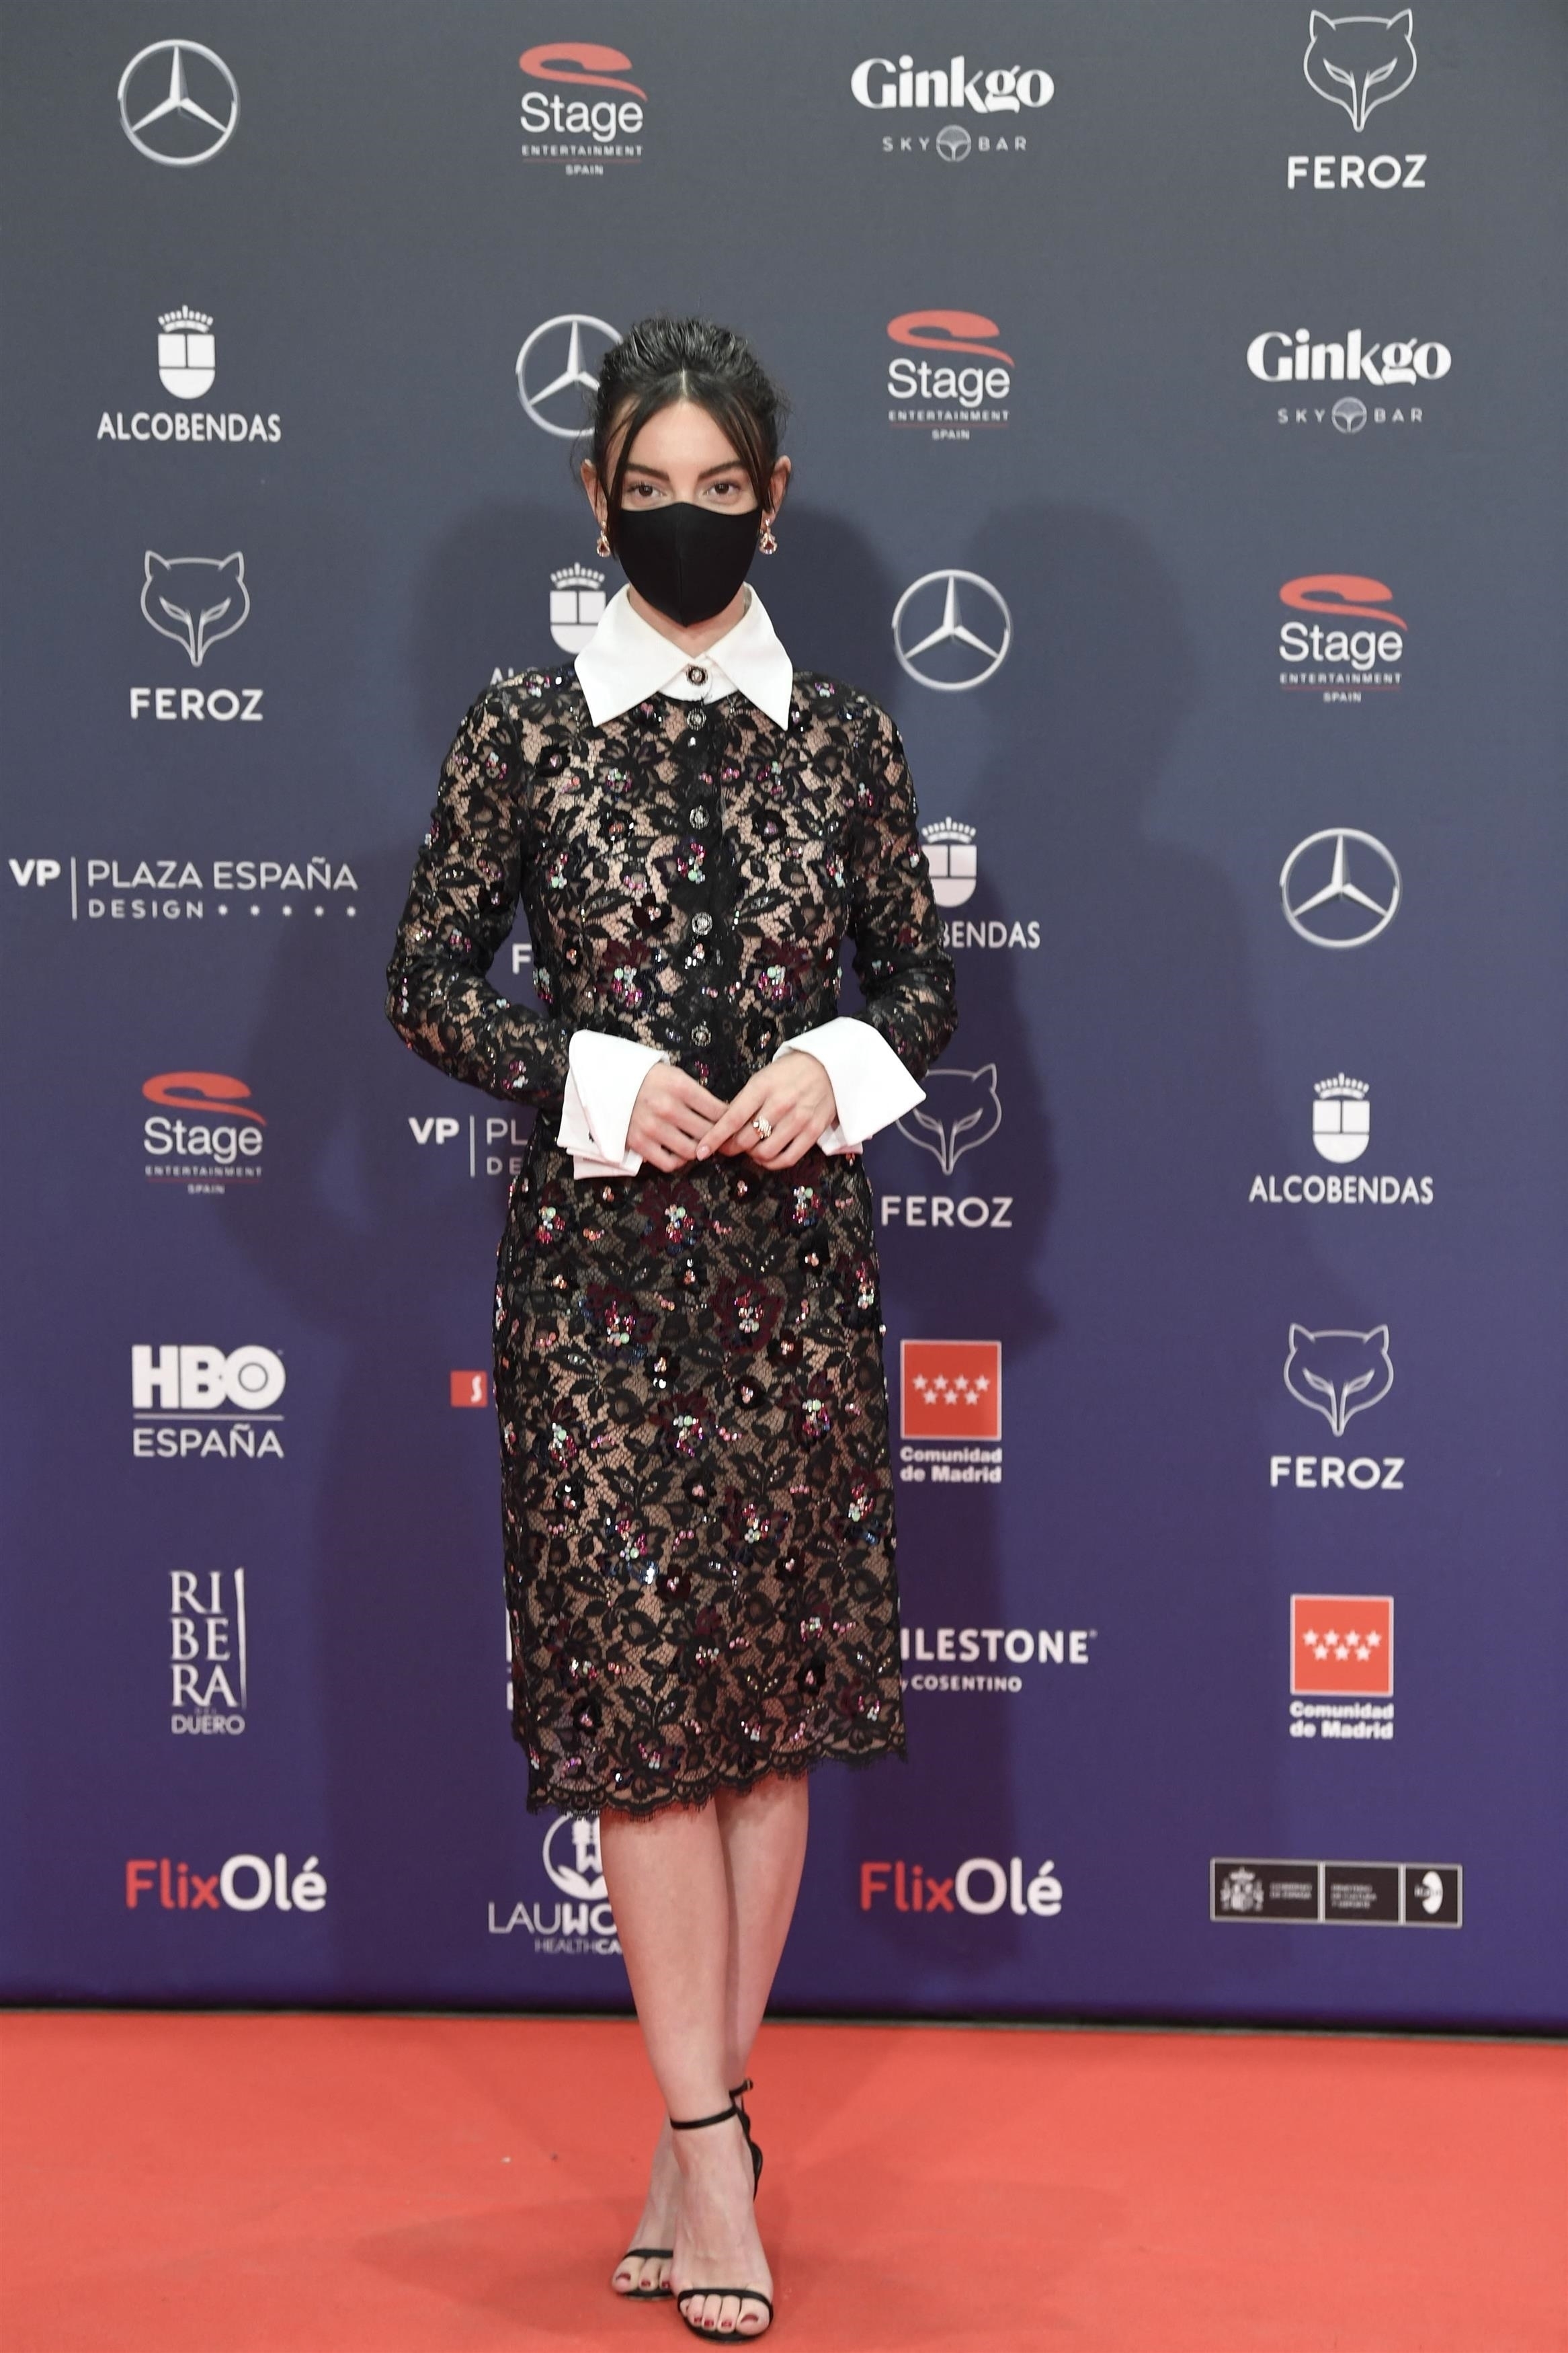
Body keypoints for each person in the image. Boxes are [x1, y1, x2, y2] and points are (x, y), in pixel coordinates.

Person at [386, 315, 957, 2339]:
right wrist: (591, 1077)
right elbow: (428, 983)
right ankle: (717, 2152)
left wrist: (834, 1068)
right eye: (651, 489)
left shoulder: (848, 738)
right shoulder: (524, 732)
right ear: (595, 496)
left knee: (770, 1727)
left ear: (775, 503)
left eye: (722, 489)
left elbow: (922, 987)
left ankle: (693, 2124)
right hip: (598, 1290)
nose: (687, 520)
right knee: (644, 1731)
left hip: (795, 1281)